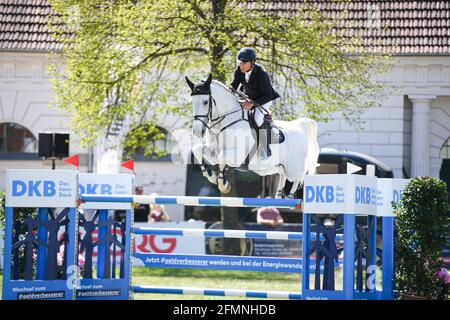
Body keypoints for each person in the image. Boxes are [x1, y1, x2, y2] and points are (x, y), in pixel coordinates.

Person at [230, 47, 280, 160]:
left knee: (257, 118)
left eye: (244, 63)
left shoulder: (261, 74)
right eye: (240, 63)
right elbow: (234, 85)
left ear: (252, 62)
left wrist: (252, 104)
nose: (241, 65)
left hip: (264, 99)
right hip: (249, 98)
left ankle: (265, 149)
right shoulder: (239, 70)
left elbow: (267, 95)